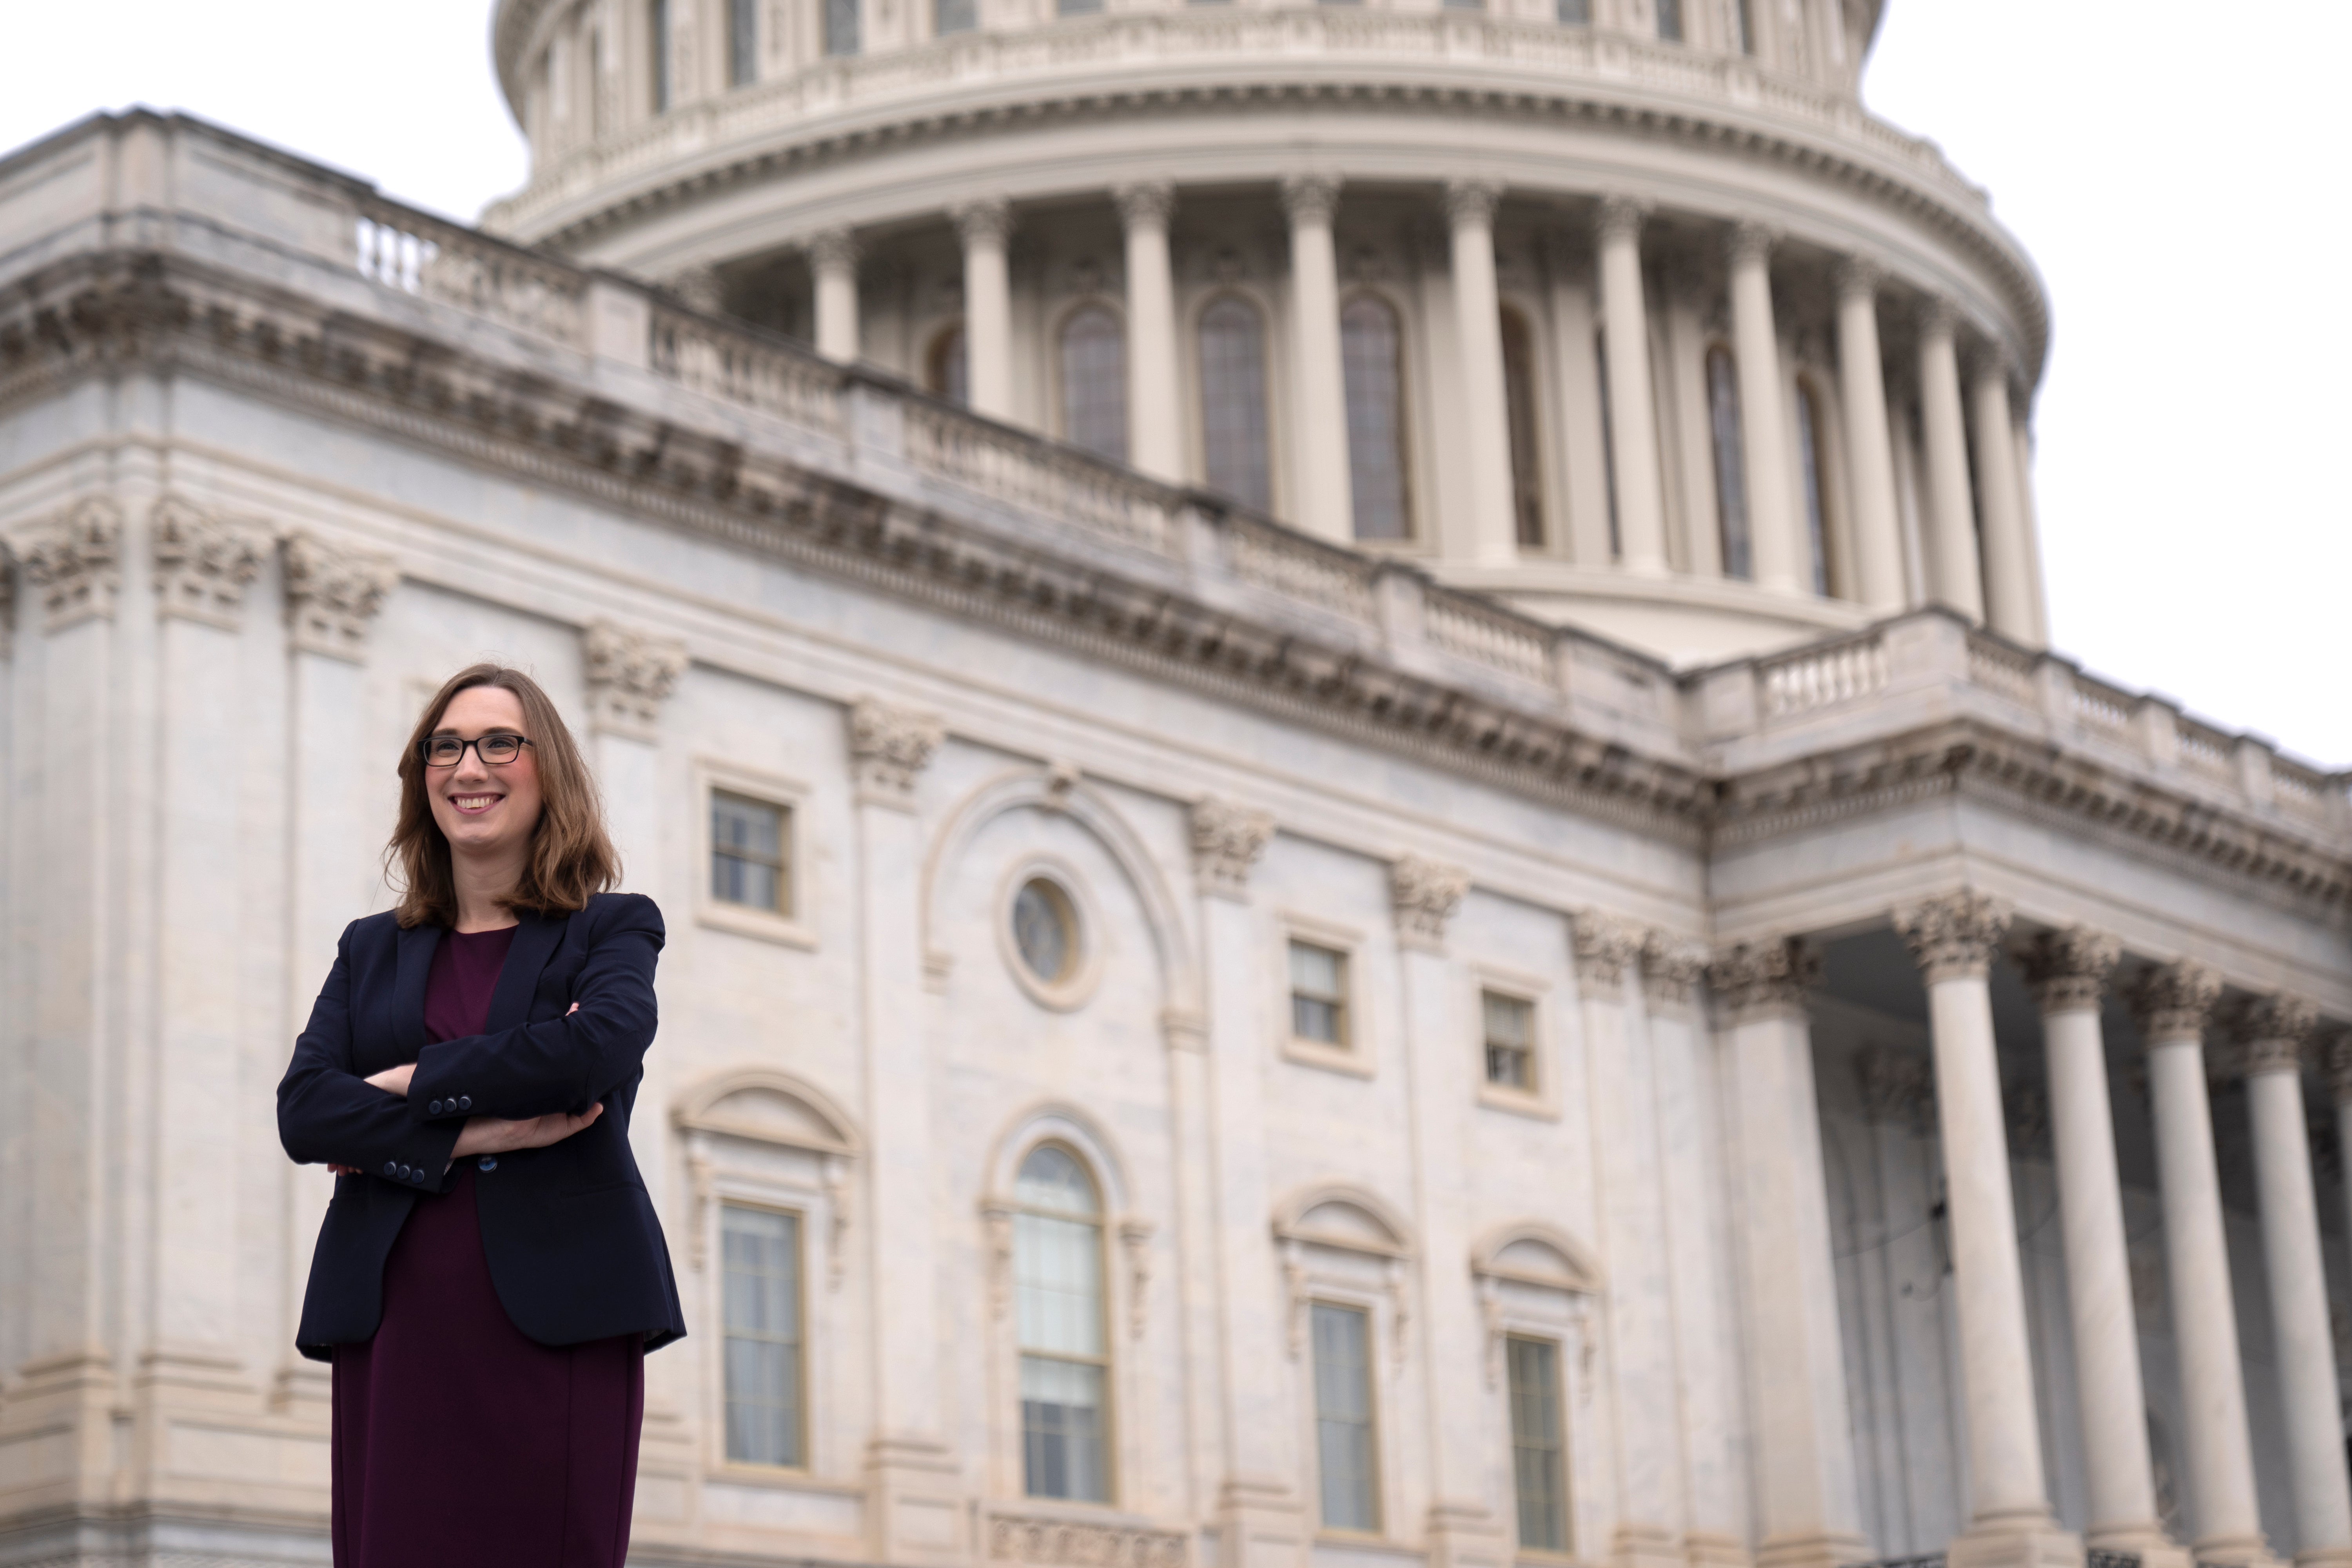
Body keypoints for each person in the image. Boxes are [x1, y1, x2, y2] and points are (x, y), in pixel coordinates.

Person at [277, 663, 687, 1568]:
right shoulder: (369, 948)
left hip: (562, 1317)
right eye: (447, 746)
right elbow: (306, 1111)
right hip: (399, 1316)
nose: (472, 765)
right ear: (423, 775)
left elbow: (596, 1052)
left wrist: (401, 1083)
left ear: (550, 771)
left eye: (501, 741)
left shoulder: (613, 928)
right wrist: (472, 1129)